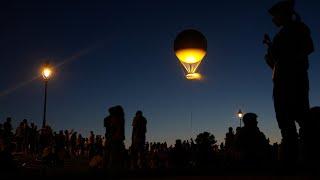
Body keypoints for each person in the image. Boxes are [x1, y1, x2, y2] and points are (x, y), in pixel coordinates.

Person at [264, 0, 314, 163]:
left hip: (292, 80)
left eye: (275, 16)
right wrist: (271, 51)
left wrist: (279, 57)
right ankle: (295, 159)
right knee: (287, 121)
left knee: (297, 119)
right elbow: (277, 60)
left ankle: (302, 159)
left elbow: (305, 49)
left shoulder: (297, 29)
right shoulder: (289, 31)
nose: (273, 20)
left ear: (283, 14)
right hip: (283, 81)